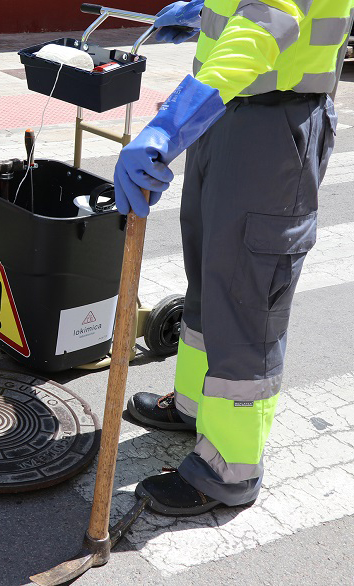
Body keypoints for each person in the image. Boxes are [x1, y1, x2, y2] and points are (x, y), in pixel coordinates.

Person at [114, 0, 352, 515]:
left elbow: (266, 20)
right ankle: (195, 407)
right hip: (227, 112)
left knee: (246, 298)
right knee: (209, 277)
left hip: (273, 123)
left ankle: (229, 468)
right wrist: (207, 12)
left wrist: (170, 124)